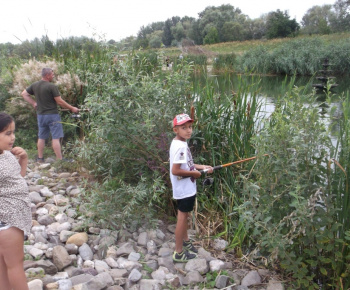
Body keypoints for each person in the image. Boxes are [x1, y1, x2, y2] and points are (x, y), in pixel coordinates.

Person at [169, 113, 213, 262]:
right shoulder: (180, 147)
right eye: (184, 128)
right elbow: (175, 171)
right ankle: (178, 252)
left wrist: (203, 167)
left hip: (186, 188)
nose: (188, 130)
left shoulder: (179, 142)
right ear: (176, 130)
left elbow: (188, 165)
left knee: (185, 216)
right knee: (182, 218)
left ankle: (186, 241)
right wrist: (194, 174)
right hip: (184, 190)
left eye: (190, 127)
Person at [21, 68, 80, 162]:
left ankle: (40, 158)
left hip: (40, 115)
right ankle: (59, 159)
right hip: (52, 115)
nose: (53, 76)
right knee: (56, 137)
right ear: (47, 75)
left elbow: (24, 94)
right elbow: (59, 101)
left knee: (41, 137)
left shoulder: (35, 85)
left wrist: (33, 103)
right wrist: (72, 108)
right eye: (52, 74)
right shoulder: (51, 86)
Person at [0, 112, 31, 290]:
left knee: (4, 267)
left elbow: (17, 180)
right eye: (7, 133)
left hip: (10, 219)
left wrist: (24, 160)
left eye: (13, 132)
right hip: (8, 220)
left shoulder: (6, 154)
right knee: (15, 265)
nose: (13, 137)